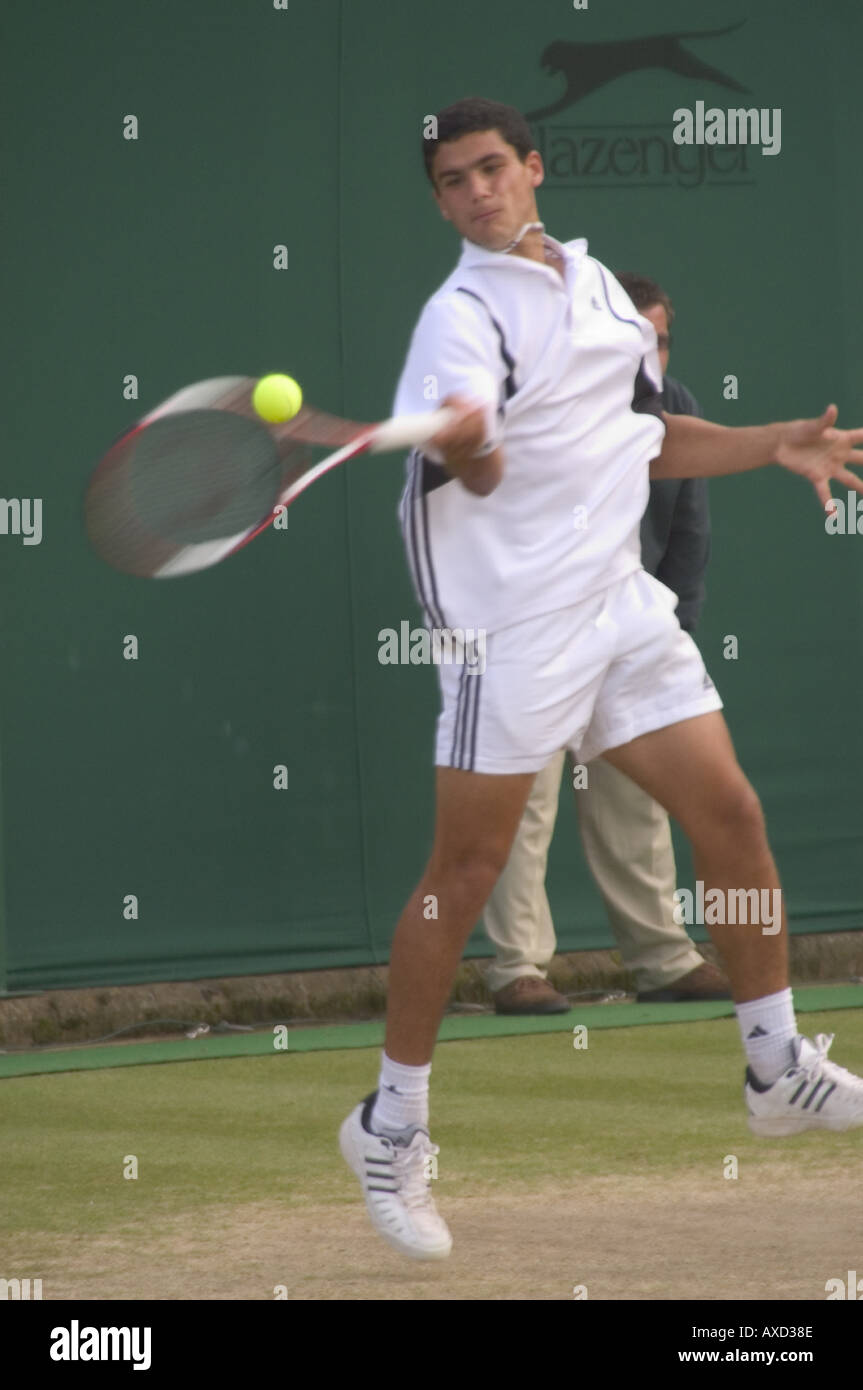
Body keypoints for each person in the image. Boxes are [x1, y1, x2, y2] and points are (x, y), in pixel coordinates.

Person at [339, 97, 863, 1262]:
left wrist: (767, 441)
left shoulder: (598, 292)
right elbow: (471, 474)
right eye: (450, 181)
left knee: (729, 814)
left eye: (490, 168)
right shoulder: (458, 316)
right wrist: (469, 438)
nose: (475, 191)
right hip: (508, 630)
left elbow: (646, 438)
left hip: (616, 605)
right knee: (460, 874)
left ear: (532, 169)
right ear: (439, 203)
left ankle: (774, 1066)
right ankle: (389, 1124)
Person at [485, 272, 729, 1016]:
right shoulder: (536, 406)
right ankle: (516, 970)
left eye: (660, 341)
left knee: (639, 795)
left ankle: (662, 958)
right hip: (531, 627)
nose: (649, 356)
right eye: (636, 339)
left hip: (629, 626)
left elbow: (688, 531)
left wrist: (671, 630)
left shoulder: (674, 405)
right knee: (523, 802)